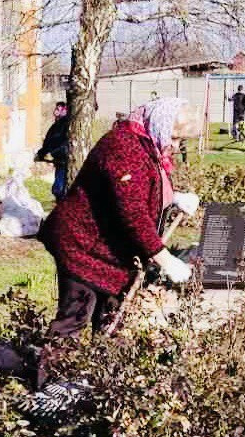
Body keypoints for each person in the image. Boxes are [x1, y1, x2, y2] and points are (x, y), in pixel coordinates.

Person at [37, 97, 196, 345]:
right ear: (159, 125)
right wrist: (164, 258)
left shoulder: (147, 145)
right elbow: (132, 212)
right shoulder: (124, 146)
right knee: (75, 318)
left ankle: (97, 378)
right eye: (173, 138)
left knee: (111, 319)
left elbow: (138, 189)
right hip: (81, 245)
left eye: (180, 141)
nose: (175, 146)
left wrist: (173, 197)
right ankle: (53, 379)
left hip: (108, 251)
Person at [36, 101, 70, 201]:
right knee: (57, 190)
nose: (56, 111)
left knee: (59, 189)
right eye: (56, 108)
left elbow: (66, 144)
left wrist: (54, 153)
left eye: (60, 109)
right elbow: (48, 142)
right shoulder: (55, 126)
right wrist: (41, 154)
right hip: (59, 161)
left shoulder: (67, 125)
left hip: (65, 161)